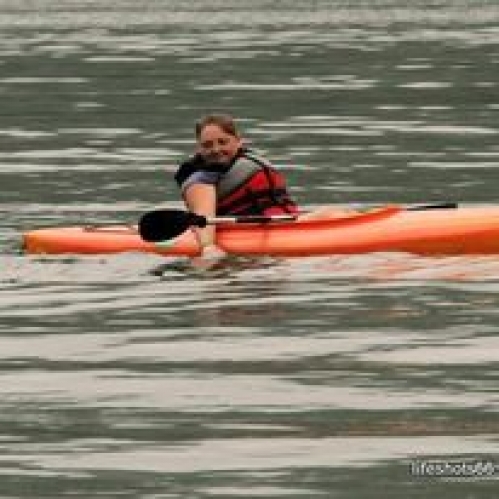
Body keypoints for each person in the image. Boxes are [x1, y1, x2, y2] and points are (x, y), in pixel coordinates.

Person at [174, 114, 299, 263]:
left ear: (238, 141)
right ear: (199, 149)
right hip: (243, 234)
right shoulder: (201, 179)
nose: (216, 149)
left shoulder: (247, 161)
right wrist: (208, 247)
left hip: (289, 223)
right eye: (207, 145)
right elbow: (203, 216)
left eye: (223, 142)